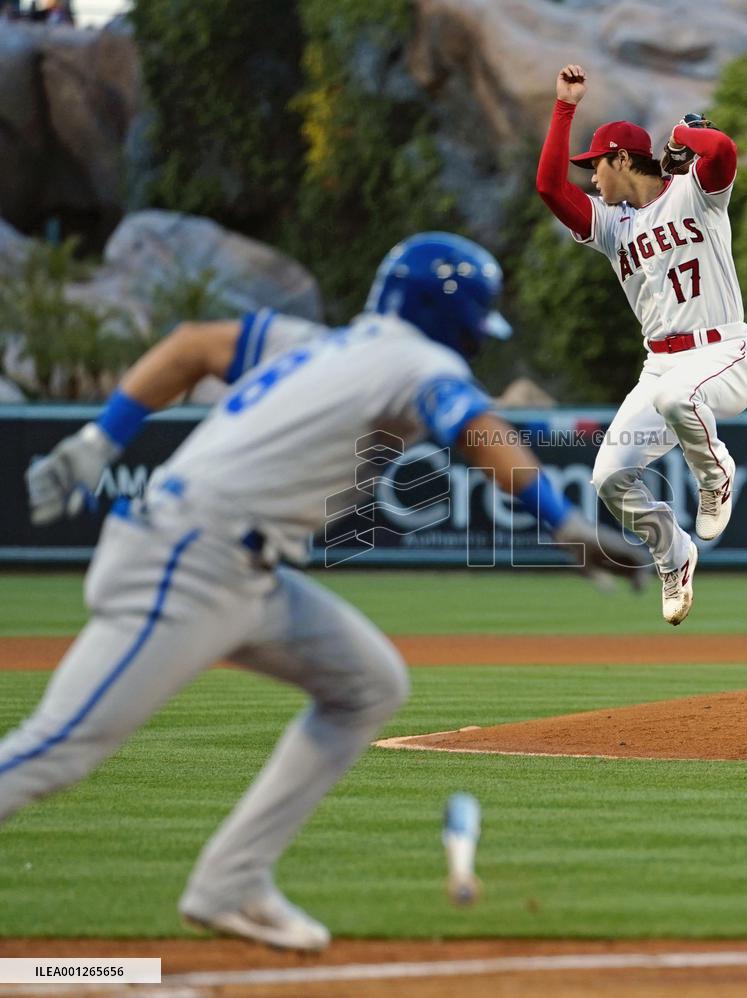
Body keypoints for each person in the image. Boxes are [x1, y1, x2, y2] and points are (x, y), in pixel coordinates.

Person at [3, 233, 645, 951]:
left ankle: (232, 884)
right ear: (455, 318)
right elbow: (474, 429)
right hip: (188, 558)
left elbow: (191, 346)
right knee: (58, 748)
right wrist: (565, 526)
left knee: (367, 685)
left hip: (243, 569)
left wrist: (100, 440)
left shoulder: (310, 341)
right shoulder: (417, 359)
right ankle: (230, 883)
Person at [536, 64, 747, 626]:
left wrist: (684, 137)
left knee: (677, 399)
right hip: (660, 367)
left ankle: (716, 479)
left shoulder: (696, 195)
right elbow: (548, 187)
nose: (591, 179)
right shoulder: (615, 227)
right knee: (609, 476)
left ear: (619, 157)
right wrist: (564, 107)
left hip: (724, 355)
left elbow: (725, 151)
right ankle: (675, 553)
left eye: (595, 166)